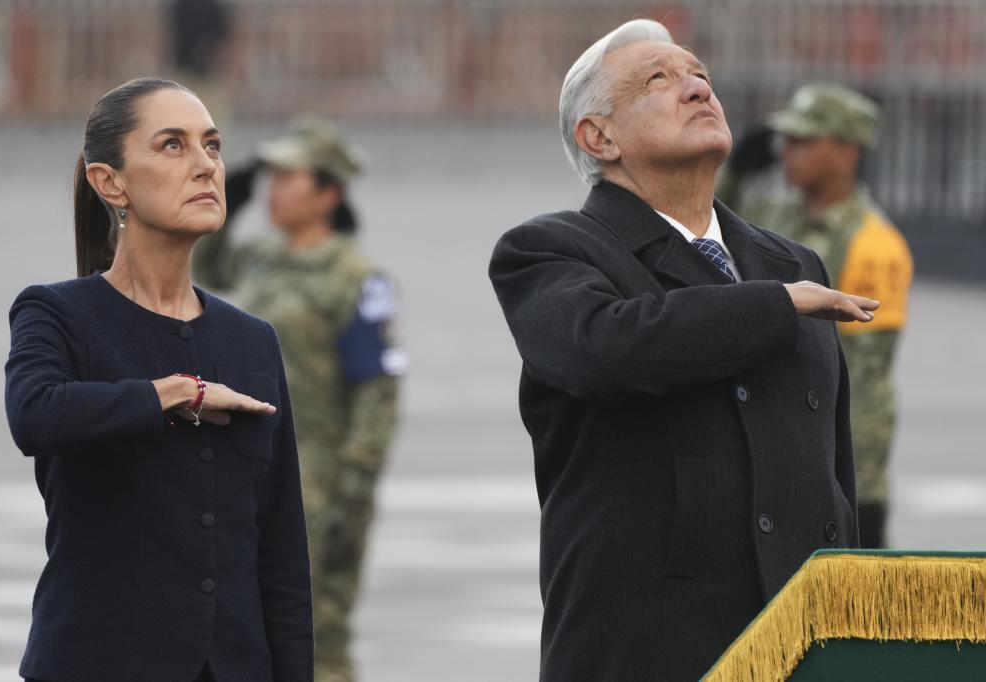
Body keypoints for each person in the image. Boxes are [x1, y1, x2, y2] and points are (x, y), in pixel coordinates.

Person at [488, 20, 881, 681]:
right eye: (658, 80)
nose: (696, 87)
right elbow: (610, 347)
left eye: (698, 73)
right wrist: (774, 305)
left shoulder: (790, 261)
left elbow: (831, 470)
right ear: (599, 136)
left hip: (801, 644)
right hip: (653, 650)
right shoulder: (552, 252)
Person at [4, 78, 313, 682]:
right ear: (109, 182)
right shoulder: (57, 314)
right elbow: (34, 414)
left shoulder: (252, 340)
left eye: (213, 146)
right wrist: (176, 393)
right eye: (173, 145)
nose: (205, 166)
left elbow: (280, 550)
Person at [194, 118, 403, 682]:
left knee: (315, 638)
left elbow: (377, 394)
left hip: (319, 483)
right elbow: (209, 271)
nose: (275, 190)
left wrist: (353, 493)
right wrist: (227, 209)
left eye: (290, 178)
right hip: (250, 468)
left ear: (328, 193)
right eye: (271, 177)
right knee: (242, 627)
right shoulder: (263, 255)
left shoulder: (358, 278)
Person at [719, 84, 914, 548]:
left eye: (805, 141)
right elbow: (703, 227)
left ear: (846, 151)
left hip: (836, 472)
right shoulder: (773, 214)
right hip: (772, 454)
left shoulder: (874, 243)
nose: (787, 151)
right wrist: (735, 173)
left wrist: (851, 483)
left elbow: (861, 381)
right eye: (786, 139)